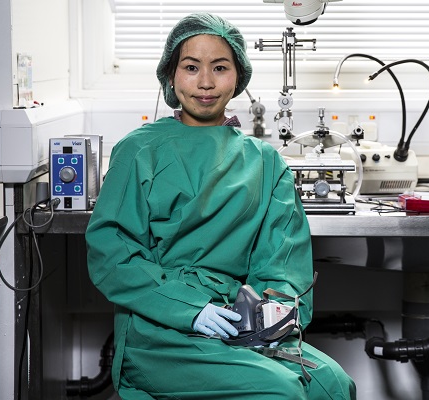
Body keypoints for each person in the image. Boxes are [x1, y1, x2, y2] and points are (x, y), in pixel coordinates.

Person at [85, 12, 356, 400]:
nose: (206, 82)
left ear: (238, 77)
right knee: (280, 393)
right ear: (171, 75)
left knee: (332, 385)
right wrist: (192, 310)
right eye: (191, 67)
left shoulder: (264, 161)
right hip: (160, 329)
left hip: (241, 322)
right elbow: (114, 256)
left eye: (220, 67)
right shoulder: (139, 151)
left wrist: (272, 315)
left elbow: (283, 259)